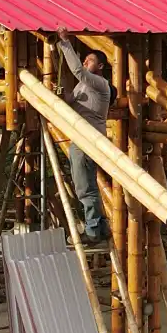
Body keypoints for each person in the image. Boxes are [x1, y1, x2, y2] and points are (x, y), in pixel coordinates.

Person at [56, 33, 113, 244]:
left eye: (90, 60)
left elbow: (78, 71)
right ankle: (101, 227)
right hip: (82, 137)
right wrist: (60, 93)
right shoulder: (83, 86)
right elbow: (70, 100)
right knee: (87, 183)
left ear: (100, 66)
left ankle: (92, 230)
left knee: (83, 185)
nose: (85, 62)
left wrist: (65, 43)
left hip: (88, 137)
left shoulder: (99, 83)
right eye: (85, 59)